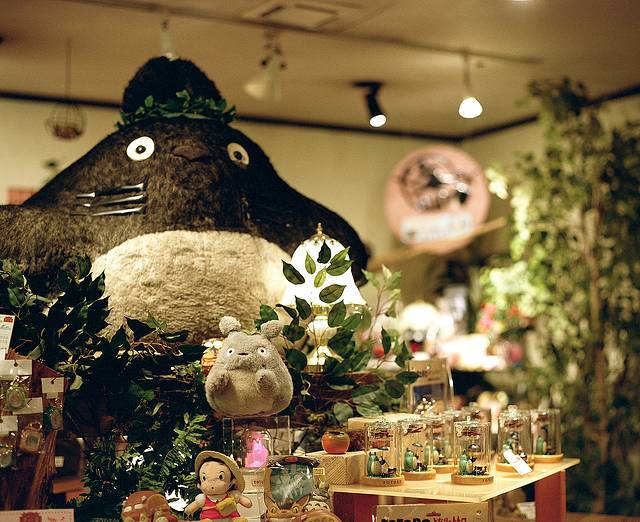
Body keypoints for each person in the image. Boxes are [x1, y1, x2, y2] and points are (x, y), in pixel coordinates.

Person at [185, 450, 252, 521]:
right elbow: (189, 509)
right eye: (204, 478)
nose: (212, 484)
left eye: (221, 477)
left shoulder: (232, 495)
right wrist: (188, 511)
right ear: (200, 484)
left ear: (232, 481)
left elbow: (247, 503)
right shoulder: (202, 499)